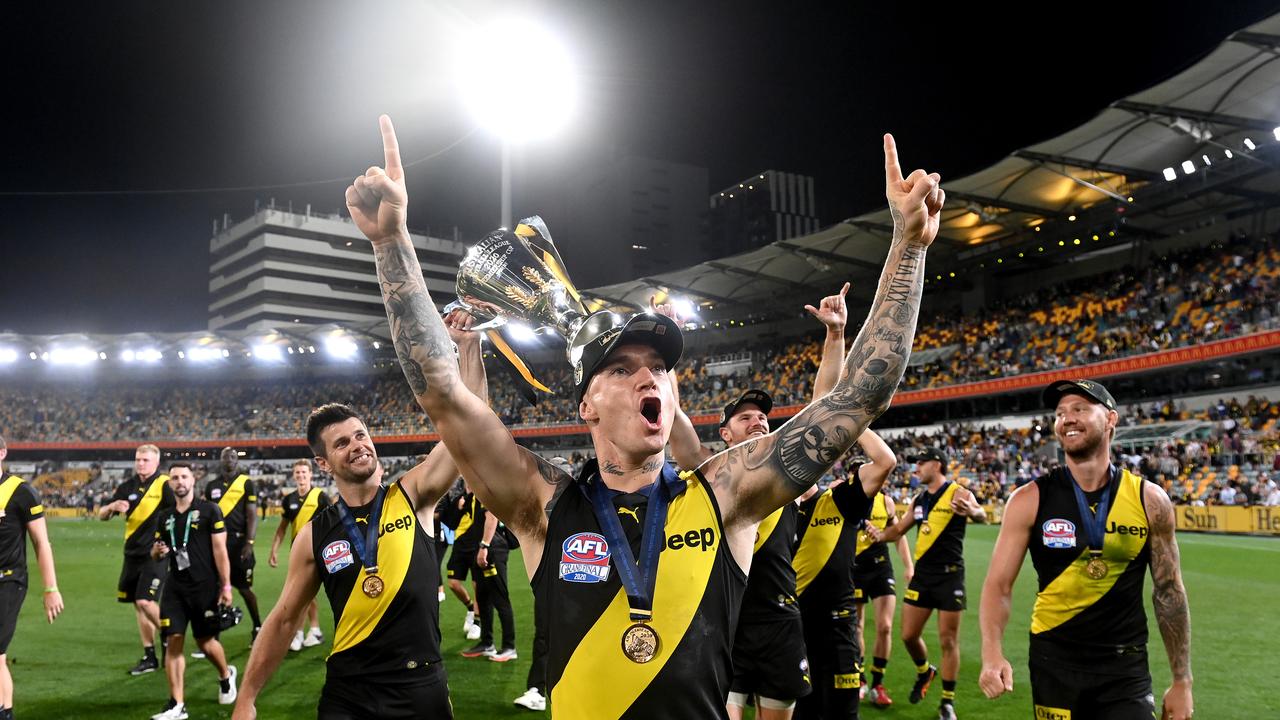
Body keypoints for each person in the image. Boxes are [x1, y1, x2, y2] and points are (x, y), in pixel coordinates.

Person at [349, 115, 941, 718]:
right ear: (586, 405)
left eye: (659, 366)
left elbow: (858, 397)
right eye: (620, 368)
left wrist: (909, 247)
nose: (646, 377)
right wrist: (391, 241)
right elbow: (443, 393)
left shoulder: (725, 493)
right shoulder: (544, 502)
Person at [233, 314, 489, 720]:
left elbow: (473, 429)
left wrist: (469, 348)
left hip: (419, 687)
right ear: (322, 463)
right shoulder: (315, 534)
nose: (357, 446)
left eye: (360, 435)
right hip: (349, 693)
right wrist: (246, 697)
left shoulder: (414, 494)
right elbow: (283, 619)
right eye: (341, 443)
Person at [663, 283, 851, 720]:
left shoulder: (786, 478)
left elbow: (823, 409)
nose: (759, 420)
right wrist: (668, 347)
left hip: (780, 622)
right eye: (745, 417)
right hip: (726, 623)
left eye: (763, 416)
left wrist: (836, 337)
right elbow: (674, 420)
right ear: (725, 434)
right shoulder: (713, 477)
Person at [979, 380, 1194, 720]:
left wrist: (1182, 681)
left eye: (1080, 408)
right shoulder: (1029, 499)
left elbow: (1169, 591)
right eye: (1060, 412)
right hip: (1054, 662)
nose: (1068, 418)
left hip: (1125, 668)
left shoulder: (1150, 500)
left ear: (1111, 419)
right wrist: (992, 654)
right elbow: (998, 586)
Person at [871, 446, 986, 720]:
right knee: (908, 635)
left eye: (921, 463)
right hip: (923, 576)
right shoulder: (919, 500)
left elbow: (980, 514)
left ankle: (947, 702)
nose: (916, 468)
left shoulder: (959, 492)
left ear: (938, 464)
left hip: (950, 575)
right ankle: (925, 671)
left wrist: (973, 510)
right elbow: (898, 530)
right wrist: (879, 534)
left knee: (948, 641)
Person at [792, 431, 895, 720]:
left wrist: (855, 425)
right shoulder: (771, 510)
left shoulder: (840, 499)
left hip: (839, 628)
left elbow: (886, 461)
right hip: (793, 629)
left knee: (843, 712)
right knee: (803, 713)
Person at [150, 462, 238, 720]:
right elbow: (155, 553)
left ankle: (225, 675)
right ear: (170, 483)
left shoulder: (210, 510)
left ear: (193, 480)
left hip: (205, 587)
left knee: (206, 642)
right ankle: (177, 704)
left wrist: (226, 586)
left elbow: (220, 551)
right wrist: (157, 552)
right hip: (175, 587)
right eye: (174, 477)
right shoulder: (164, 516)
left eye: (184, 476)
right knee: (173, 641)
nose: (179, 481)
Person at [0, 435, 63, 720]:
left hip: (9, 580)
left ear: (2, 453)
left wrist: (51, 588)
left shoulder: (20, 491)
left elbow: (41, 543)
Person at [99, 443, 174, 675]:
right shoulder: (126, 487)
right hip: (131, 553)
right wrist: (112, 506)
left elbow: (177, 513)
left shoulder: (164, 485)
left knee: (144, 601)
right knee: (138, 606)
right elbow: (101, 516)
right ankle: (149, 655)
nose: (141, 463)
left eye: (146, 460)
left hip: (155, 553)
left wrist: (169, 545)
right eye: (138, 459)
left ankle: (169, 631)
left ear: (156, 463)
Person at [852, 486, 913, 708]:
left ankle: (878, 684)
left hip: (880, 566)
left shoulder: (885, 501)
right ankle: (859, 678)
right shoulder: (846, 498)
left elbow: (898, 534)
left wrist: (908, 566)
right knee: (856, 625)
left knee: (885, 626)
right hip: (855, 566)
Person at [267, 459, 330, 651]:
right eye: (298, 473)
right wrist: (274, 550)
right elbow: (282, 529)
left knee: (302, 592)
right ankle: (312, 631)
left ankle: (302, 633)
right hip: (297, 553)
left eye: (304, 472)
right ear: (293, 475)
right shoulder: (289, 499)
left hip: (317, 550)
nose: (301, 476)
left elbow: (332, 523)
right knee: (305, 593)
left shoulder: (321, 497)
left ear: (311, 474)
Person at [204, 447, 263, 642]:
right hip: (217, 544)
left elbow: (252, 515)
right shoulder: (211, 485)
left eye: (233, 456)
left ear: (237, 460)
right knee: (216, 589)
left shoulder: (247, 484)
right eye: (225, 456)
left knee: (245, 590)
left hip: (239, 544)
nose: (229, 459)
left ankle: (257, 627)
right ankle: (215, 635)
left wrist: (250, 542)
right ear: (220, 460)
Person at [453, 486, 517, 661]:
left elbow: (492, 516)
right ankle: (487, 643)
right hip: (480, 549)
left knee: (500, 598)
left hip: (491, 549)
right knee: (483, 597)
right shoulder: (474, 494)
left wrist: (485, 546)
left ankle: (509, 647)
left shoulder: (487, 489)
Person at [437, 481, 482, 642]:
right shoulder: (460, 499)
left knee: (478, 586)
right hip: (460, 547)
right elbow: (451, 524)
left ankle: (477, 622)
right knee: (453, 583)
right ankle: (470, 608)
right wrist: (458, 508)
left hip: (477, 547)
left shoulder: (483, 498)